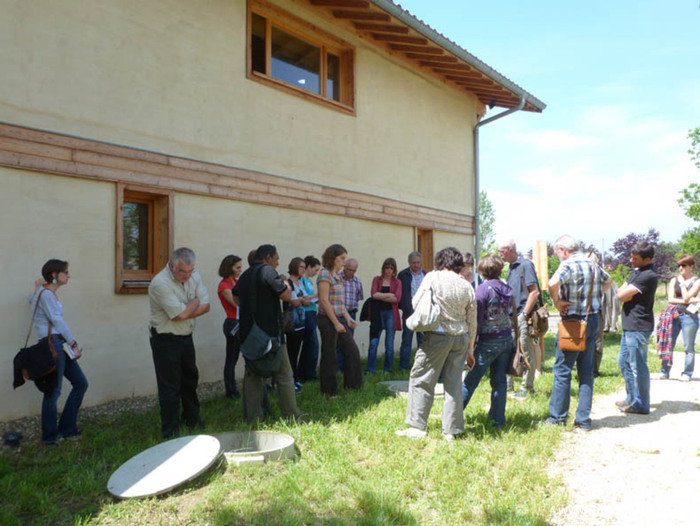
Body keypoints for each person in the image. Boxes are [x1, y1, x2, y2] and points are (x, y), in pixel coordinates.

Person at [395, 247, 476, 441]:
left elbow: (416, 303)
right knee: (454, 383)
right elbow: (472, 321)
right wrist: (470, 349)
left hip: (438, 336)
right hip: (461, 338)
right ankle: (452, 430)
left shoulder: (433, 277)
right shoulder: (466, 285)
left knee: (422, 378)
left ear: (440, 261)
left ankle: (417, 426)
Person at [545, 235, 611, 431]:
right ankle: (583, 419)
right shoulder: (592, 264)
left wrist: (557, 302)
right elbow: (609, 281)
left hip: (573, 322)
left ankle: (557, 417)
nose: (558, 257)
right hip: (592, 319)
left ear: (563, 250)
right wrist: (595, 298)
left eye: (557, 253)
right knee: (586, 371)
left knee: (563, 370)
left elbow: (552, 284)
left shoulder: (568, 264)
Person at [233, 244, 301, 422]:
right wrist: (286, 283)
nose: (277, 263)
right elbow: (286, 296)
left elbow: (236, 297)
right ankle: (291, 416)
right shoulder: (269, 272)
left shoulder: (245, 275)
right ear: (268, 257)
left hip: (249, 334)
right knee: (284, 375)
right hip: (271, 333)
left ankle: (253, 418)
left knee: (253, 377)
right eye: (277, 259)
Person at [148, 247, 210, 438]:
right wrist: (192, 305)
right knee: (170, 386)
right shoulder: (160, 283)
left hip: (185, 336)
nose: (187, 275)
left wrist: (187, 309)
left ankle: (192, 420)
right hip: (165, 339)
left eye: (190, 271)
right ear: (172, 266)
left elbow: (206, 306)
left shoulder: (194, 275)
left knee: (190, 379)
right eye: (182, 271)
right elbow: (179, 315)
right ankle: (171, 430)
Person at [30, 259, 88, 445]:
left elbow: (33, 302)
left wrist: (36, 290)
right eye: (65, 272)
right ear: (54, 275)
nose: (68, 275)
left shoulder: (46, 293)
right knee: (53, 392)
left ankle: (67, 427)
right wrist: (72, 342)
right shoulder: (46, 294)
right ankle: (49, 436)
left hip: (58, 343)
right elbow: (57, 321)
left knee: (80, 383)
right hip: (54, 345)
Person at [462, 255, 513, 427]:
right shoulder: (506, 287)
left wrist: (470, 348)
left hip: (488, 342)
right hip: (506, 340)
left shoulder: (483, 290)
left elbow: (476, 321)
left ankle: (453, 418)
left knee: (470, 381)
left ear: (482, 271)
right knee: (499, 382)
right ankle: (498, 420)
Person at [616, 242, 658, 413]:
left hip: (639, 326)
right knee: (623, 362)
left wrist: (625, 294)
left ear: (647, 259)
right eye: (631, 256)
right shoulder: (637, 272)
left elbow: (621, 295)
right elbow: (621, 292)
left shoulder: (648, 275)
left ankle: (641, 404)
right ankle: (631, 398)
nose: (631, 260)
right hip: (630, 325)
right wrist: (625, 294)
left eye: (635, 258)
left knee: (638, 366)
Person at [317, 244, 363, 396]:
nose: (344, 261)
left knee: (352, 351)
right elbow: (324, 300)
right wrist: (336, 323)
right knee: (330, 355)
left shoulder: (337, 276)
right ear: (332, 258)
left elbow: (339, 302)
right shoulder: (324, 274)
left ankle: (353, 386)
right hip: (327, 319)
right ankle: (329, 392)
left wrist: (348, 319)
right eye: (342, 258)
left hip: (340, 318)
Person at [498, 239, 541, 398]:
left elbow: (534, 292)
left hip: (524, 316)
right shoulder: (511, 267)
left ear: (510, 249)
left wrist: (524, 314)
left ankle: (527, 387)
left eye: (501, 251)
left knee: (526, 350)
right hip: (512, 316)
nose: (499, 255)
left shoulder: (525, 265)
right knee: (509, 351)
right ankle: (507, 386)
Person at [659, 255, 699, 381]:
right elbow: (671, 299)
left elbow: (687, 297)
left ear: (691, 266)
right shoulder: (674, 280)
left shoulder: (696, 281)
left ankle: (687, 373)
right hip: (674, 315)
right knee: (669, 344)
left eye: (684, 265)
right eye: (679, 266)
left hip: (690, 316)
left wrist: (682, 286)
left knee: (688, 347)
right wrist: (692, 299)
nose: (681, 268)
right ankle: (664, 371)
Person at [366, 257, 402, 373]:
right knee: (373, 342)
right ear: (383, 268)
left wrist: (380, 295)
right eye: (387, 268)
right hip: (377, 313)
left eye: (391, 268)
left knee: (389, 344)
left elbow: (397, 299)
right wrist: (389, 296)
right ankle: (371, 369)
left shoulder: (397, 282)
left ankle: (387, 369)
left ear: (394, 270)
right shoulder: (377, 279)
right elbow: (373, 295)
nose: (389, 270)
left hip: (391, 313)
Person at [217, 254, 243, 399]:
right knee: (231, 359)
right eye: (237, 267)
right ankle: (231, 390)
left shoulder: (236, 282)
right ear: (229, 268)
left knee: (238, 357)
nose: (240, 270)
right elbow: (236, 303)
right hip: (233, 323)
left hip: (240, 322)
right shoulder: (224, 285)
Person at [283, 257, 309, 391]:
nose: (303, 270)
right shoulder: (288, 282)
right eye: (301, 267)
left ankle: (296, 378)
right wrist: (302, 300)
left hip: (301, 321)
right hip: (292, 323)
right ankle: (290, 381)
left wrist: (302, 300)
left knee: (297, 352)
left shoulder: (300, 282)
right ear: (294, 267)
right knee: (291, 353)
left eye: (304, 267)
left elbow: (306, 300)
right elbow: (294, 302)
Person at [398, 252, 426, 370]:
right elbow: (400, 293)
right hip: (409, 312)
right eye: (413, 263)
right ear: (409, 262)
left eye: (418, 262)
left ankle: (422, 366)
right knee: (406, 340)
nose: (416, 265)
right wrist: (404, 306)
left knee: (423, 341)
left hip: (423, 312)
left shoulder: (426, 275)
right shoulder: (403, 275)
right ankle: (403, 366)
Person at [337, 257, 363, 372]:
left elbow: (358, 298)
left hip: (351, 314)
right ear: (344, 268)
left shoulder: (357, 282)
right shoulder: (337, 279)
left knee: (349, 342)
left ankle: (348, 368)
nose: (351, 273)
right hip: (338, 314)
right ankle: (338, 369)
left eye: (354, 270)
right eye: (349, 270)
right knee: (337, 343)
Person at [298, 255, 321, 381]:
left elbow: (310, 298)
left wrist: (315, 298)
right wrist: (319, 295)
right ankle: (309, 375)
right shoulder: (301, 280)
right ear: (308, 267)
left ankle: (304, 373)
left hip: (312, 312)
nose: (315, 273)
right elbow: (304, 298)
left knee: (309, 345)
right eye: (315, 270)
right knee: (312, 345)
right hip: (306, 313)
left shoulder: (309, 282)